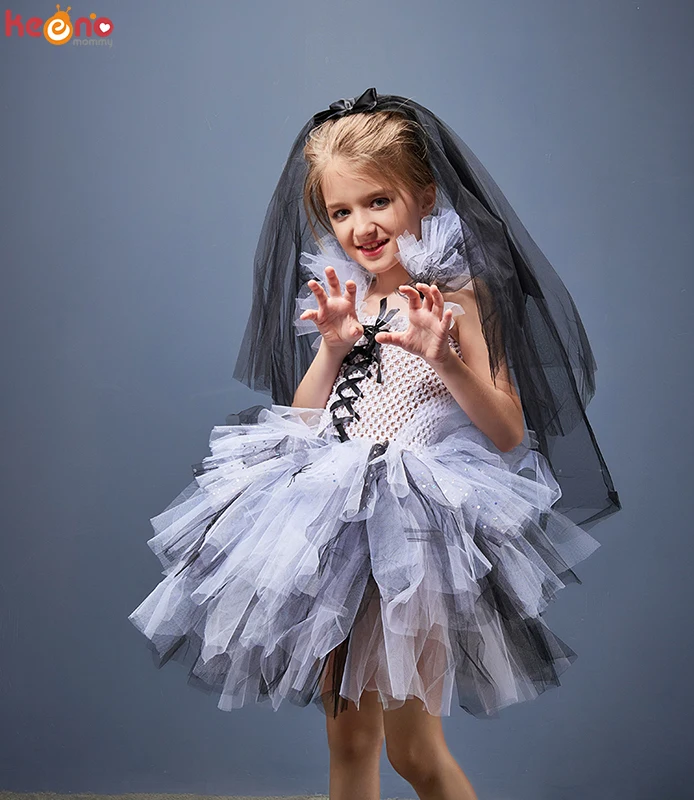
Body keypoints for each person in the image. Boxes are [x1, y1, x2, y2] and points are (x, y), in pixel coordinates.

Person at [128, 88, 621, 800]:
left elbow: (508, 430)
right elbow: (302, 424)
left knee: (414, 750)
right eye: (341, 211)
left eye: (379, 201)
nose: (361, 225)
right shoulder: (347, 299)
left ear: (425, 197)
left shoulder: (458, 300)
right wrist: (332, 347)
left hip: (412, 533)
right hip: (330, 528)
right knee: (349, 741)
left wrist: (445, 357)